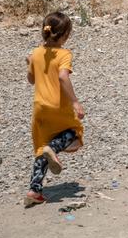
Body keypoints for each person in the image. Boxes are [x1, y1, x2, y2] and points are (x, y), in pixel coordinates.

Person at [24, 12, 84, 207]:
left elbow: (31, 80)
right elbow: (62, 77)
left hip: (40, 108)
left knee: (41, 148)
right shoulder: (64, 54)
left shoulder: (35, 53)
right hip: (58, 107)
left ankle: (34, 191)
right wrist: (75, 102)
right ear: (65, 35)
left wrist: (30, 64)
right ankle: (55, 147)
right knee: (75, 134)